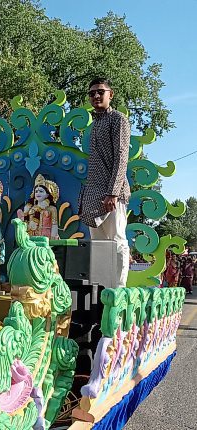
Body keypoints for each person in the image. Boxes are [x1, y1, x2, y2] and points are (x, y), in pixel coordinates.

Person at [79, 78, 131, 288]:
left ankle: (118, 291)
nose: (96, 96)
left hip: (112, 195)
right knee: (99, 246)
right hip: (93, 196)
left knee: (117, 240)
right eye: (92, 94)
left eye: (100, 92)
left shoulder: (118, 119)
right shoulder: (95, 123)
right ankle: (101, 294)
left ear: (111, 94)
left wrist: (113, 193)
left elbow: (121, 157)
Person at [17, 174, 60, 240]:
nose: (38, 193)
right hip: (32, 238)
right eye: (36, 191)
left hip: (46, 238)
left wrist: (53, 238)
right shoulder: (31, 209)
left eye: (41, 191)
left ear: (47, 195)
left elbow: (54, 225)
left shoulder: (52, 209)